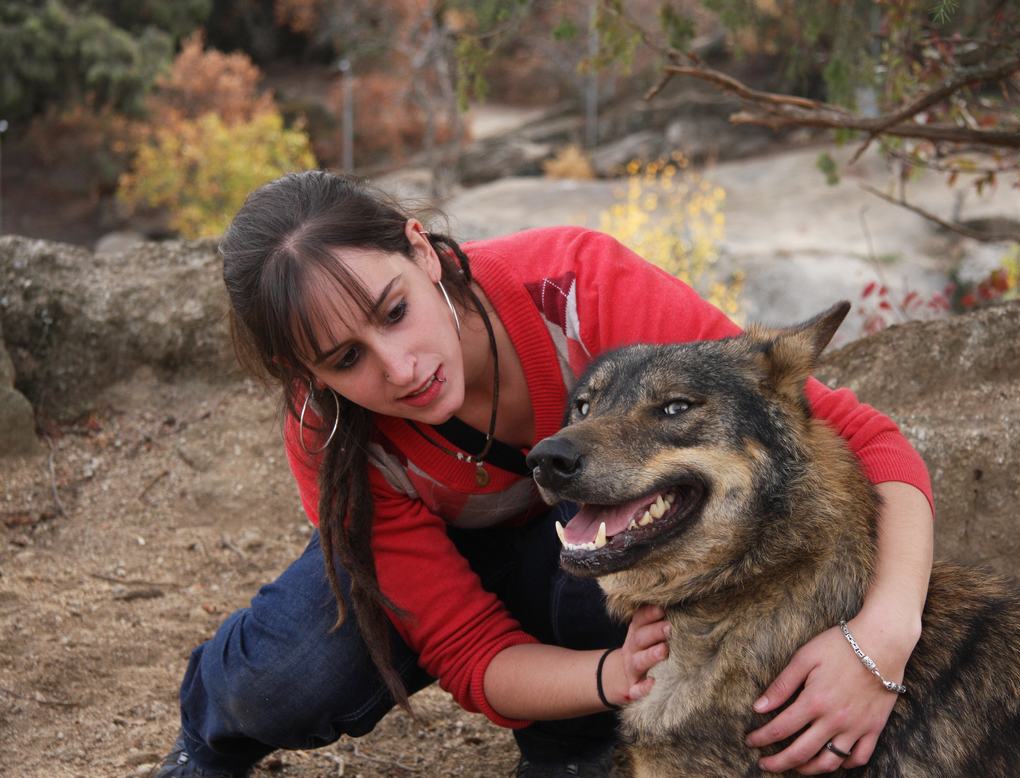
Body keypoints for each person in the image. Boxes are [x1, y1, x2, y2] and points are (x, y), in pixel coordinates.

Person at [155, 170, 934, 778]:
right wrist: (609, 675)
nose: (400, 368)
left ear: (421, 251)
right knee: (285, 678)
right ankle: (208, 741)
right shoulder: (328, 432)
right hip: (454, 570)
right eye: (345, 359)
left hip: (587, 540)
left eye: (394, 312)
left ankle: (570, 743)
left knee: (609, 547)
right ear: (305, 371)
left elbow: (869, 442)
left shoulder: (577, 284)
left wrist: (883, 640)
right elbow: (465, 647)